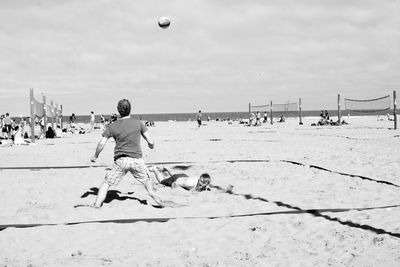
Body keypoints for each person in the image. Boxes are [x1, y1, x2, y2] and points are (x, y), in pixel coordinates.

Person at [90, 99, 173, 208]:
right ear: (130, 109)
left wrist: (95, 155)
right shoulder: (138, 123)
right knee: (147, 180)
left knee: (106, 183)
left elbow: (101, 143)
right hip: (137, 160)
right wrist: (151, 146)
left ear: (118, 110)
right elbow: (151, 141)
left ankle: (96, 205)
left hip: (121, 161)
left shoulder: (112, 126)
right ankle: (152, 193)